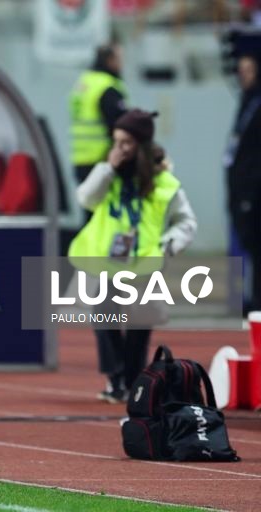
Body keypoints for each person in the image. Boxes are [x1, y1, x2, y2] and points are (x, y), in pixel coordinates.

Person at [69, 109, 197, 403]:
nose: (120, 148)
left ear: (141, 144)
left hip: (143, 264)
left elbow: (186, 222)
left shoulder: (165, 183)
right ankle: (116, 379)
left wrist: (169, 245)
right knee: (105, 319)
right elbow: (85, 199)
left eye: (126, 142)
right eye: (116, 141)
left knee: (139, 325)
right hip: (105, 261)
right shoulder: (108, 173)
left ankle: (132, 383)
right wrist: (107, 168)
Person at [226, 54, 261, 313]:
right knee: (248, 245)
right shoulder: (245, 101)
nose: (243, 75)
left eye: (248, 69)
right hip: (240, 187)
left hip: (254, 188)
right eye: (241, 69)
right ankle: (248, 299)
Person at [69, 44, 128, 188]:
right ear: (109, 60)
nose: (122, 63)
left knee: (89, 208)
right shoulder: (106, 87)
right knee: (106, 209)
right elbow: (120, 126)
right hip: (102, 160)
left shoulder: (83, 82)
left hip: (80, 160)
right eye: (119, 59)